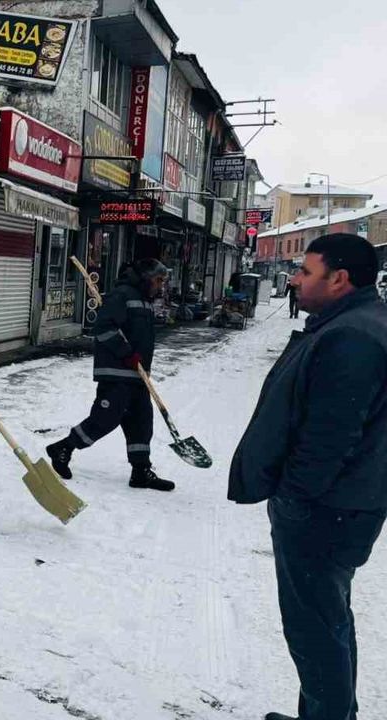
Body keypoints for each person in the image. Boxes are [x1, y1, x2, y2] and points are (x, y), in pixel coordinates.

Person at [230, 234, 387, 720]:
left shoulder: (353, 336)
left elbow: (329, 437)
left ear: (339, 279)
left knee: (314, 629)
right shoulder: (355, 323)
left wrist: (294, 499)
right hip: (342, 504)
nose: (295, 279)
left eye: (305, 271)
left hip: (327, 509)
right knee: (326, 620)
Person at [46, 259, 175, 492]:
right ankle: (63, 447)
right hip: (116, 373)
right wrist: (126, 353)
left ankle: (141, 471)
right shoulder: (121, 295)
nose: (160, 286)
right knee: (105, 418)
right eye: (158, 280)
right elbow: (103, 328)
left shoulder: (145, 300)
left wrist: (140, 364)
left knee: (141, 422)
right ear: (146, 277)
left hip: (138, 374)